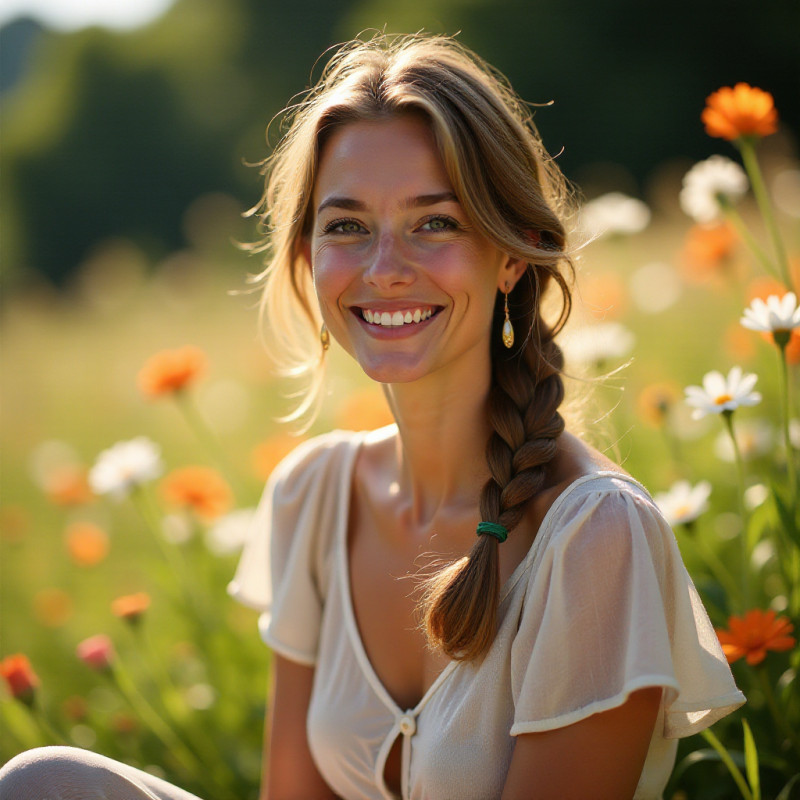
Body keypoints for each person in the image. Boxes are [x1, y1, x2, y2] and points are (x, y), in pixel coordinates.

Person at [0, 32, 744, 800]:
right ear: (307, 257)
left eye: (436, 223)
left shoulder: (595, 535)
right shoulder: (313, 497)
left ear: (515, 252)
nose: (385, 268)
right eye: (348, 226)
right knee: (43, 783)